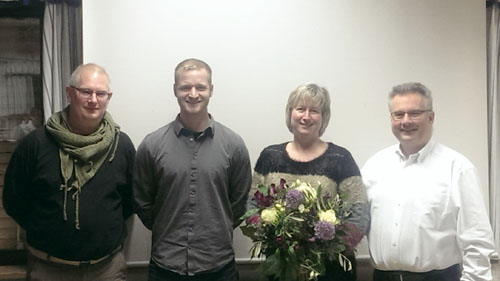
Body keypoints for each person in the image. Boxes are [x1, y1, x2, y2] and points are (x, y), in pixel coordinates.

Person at [3, 63, 135, 281]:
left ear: (108, 97)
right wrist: (48, 230)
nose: (93, 100)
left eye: (100, 93)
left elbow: (130, 201)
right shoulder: (35, 144)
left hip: (106, 270)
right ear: (69, 93)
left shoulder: (121, 146)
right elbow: (14, 200)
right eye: (86, 91)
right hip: (48, 269)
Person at [362, 82, 496, 281]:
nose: (405, 121)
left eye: (414, 113)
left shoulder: (457, 168)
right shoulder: (374, 166)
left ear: (431, 117)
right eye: (398, 114)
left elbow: (477, 239)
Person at [133, 58, 252, 281]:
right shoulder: (151, 145)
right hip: (166, 267)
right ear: (175, 90)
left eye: (201, 87)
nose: (193, 94)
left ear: (211, 90)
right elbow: (142, 201)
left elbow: (239, 204)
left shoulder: (234, 145)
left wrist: (216, 224)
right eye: (185, 87)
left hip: (219, 266)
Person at [252, 83, 370, 281]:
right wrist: (275, 239)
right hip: (283, 268)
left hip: (330, 271)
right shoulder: (270, 156)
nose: (306, 116)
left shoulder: (340, 158)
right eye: (300, 109)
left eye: (314, 111)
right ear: (290, 113)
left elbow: (359, 212)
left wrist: (323, 248)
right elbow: (252, 206)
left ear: (324, 117)